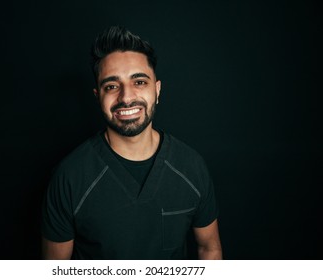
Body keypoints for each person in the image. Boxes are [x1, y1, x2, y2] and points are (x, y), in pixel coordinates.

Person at [41, 26, 222, 260]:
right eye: (112, 86)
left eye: (139, 82)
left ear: (157, 90)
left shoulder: (191, 167)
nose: (126, 97)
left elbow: (210, 248)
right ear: (98, 96)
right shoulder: (69, 177)